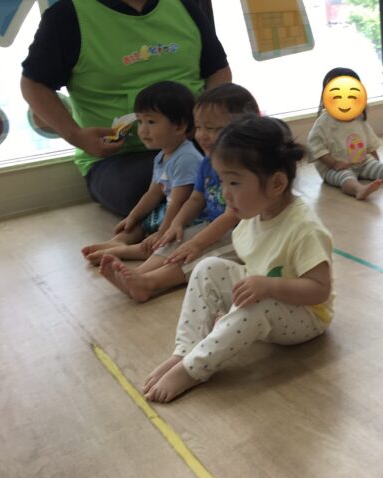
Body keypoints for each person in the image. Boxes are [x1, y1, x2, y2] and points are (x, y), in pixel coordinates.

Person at [143, 115, 334, 403]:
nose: (224, 193)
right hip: (262, 290)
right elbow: (236, 238)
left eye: (233, 182)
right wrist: (196, 245)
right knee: (208, 267)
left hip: (306, 315)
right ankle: (185, 351)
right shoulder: (256, 210)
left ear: (276, 184)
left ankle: (193, 368)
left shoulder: (304, 229)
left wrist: (269, 287)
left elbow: (319, 290)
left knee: (255, 306)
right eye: (222, 181)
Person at [21, 0, 231, 217]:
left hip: (194, 140)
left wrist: (208, 123)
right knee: (149, 188)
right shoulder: (67, 15)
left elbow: (218, 70)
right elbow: (34, 85)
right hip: (123, 156)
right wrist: (76, 135)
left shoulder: (184, 5)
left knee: (246, 154)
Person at [99, 83, 260, 302]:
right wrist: (177, 224)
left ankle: (150, 283)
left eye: (213, 129)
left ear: (246, 130)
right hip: (212, 224)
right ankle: (140, 273)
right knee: (176, 240)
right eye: (200, 127)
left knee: (203, 255)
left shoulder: (245, 169)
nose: (202, 135)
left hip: (245, 232)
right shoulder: (208, 162)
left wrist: (197, 243)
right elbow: (196, 198)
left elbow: (232, 215)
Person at [81, 81, 202, 265]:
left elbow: (180, 201)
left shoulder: (187, 157)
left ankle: (124, 251)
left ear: (179, 126)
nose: (143, 130)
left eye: (151, 122)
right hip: (170, 210)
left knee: (168, 242)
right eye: (140, 121)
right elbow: (153, 193)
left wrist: (162, 232)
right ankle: (118, 241)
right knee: (143, 220)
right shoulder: (162, 155)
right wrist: (133, 216)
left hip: (192, 216)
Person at [307, 67, 383, 200]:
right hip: (334, 168)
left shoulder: (359, 118)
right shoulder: (324, 123)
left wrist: (376, 160)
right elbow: (316, 148)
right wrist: (334, 163)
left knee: (381, 168)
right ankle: (358, 189)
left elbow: (370, 142)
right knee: (345, 177)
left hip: (362, 162)